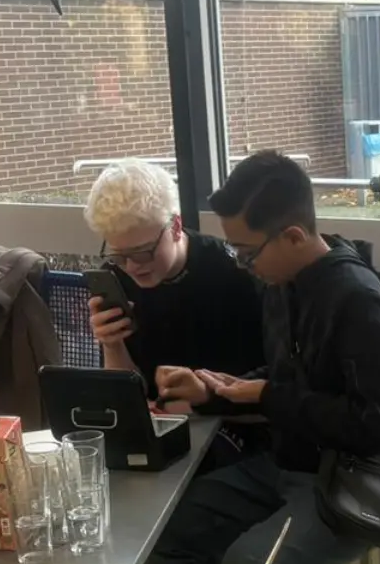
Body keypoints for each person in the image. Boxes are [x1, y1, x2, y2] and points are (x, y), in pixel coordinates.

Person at [132, 151, 380, 564]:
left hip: (354, 481)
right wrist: (212, 392)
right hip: (291, 464)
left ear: (292, 235)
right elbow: (288, 377)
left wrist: (267, 395)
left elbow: (374, 426)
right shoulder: (281, 283)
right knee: (159, 538)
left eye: (246, 253)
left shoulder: (356, 301)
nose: (241, 263)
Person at [83, 159, 264, 401]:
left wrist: (204, 397)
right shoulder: (116, 277)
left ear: (176, 227)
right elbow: (125, 396)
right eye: (120, 255)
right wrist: (112, 344)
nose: (134, 267)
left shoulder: (229, 272)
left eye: (143, 251)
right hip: (156, 417)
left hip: (227, 416)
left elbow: (264, 387)